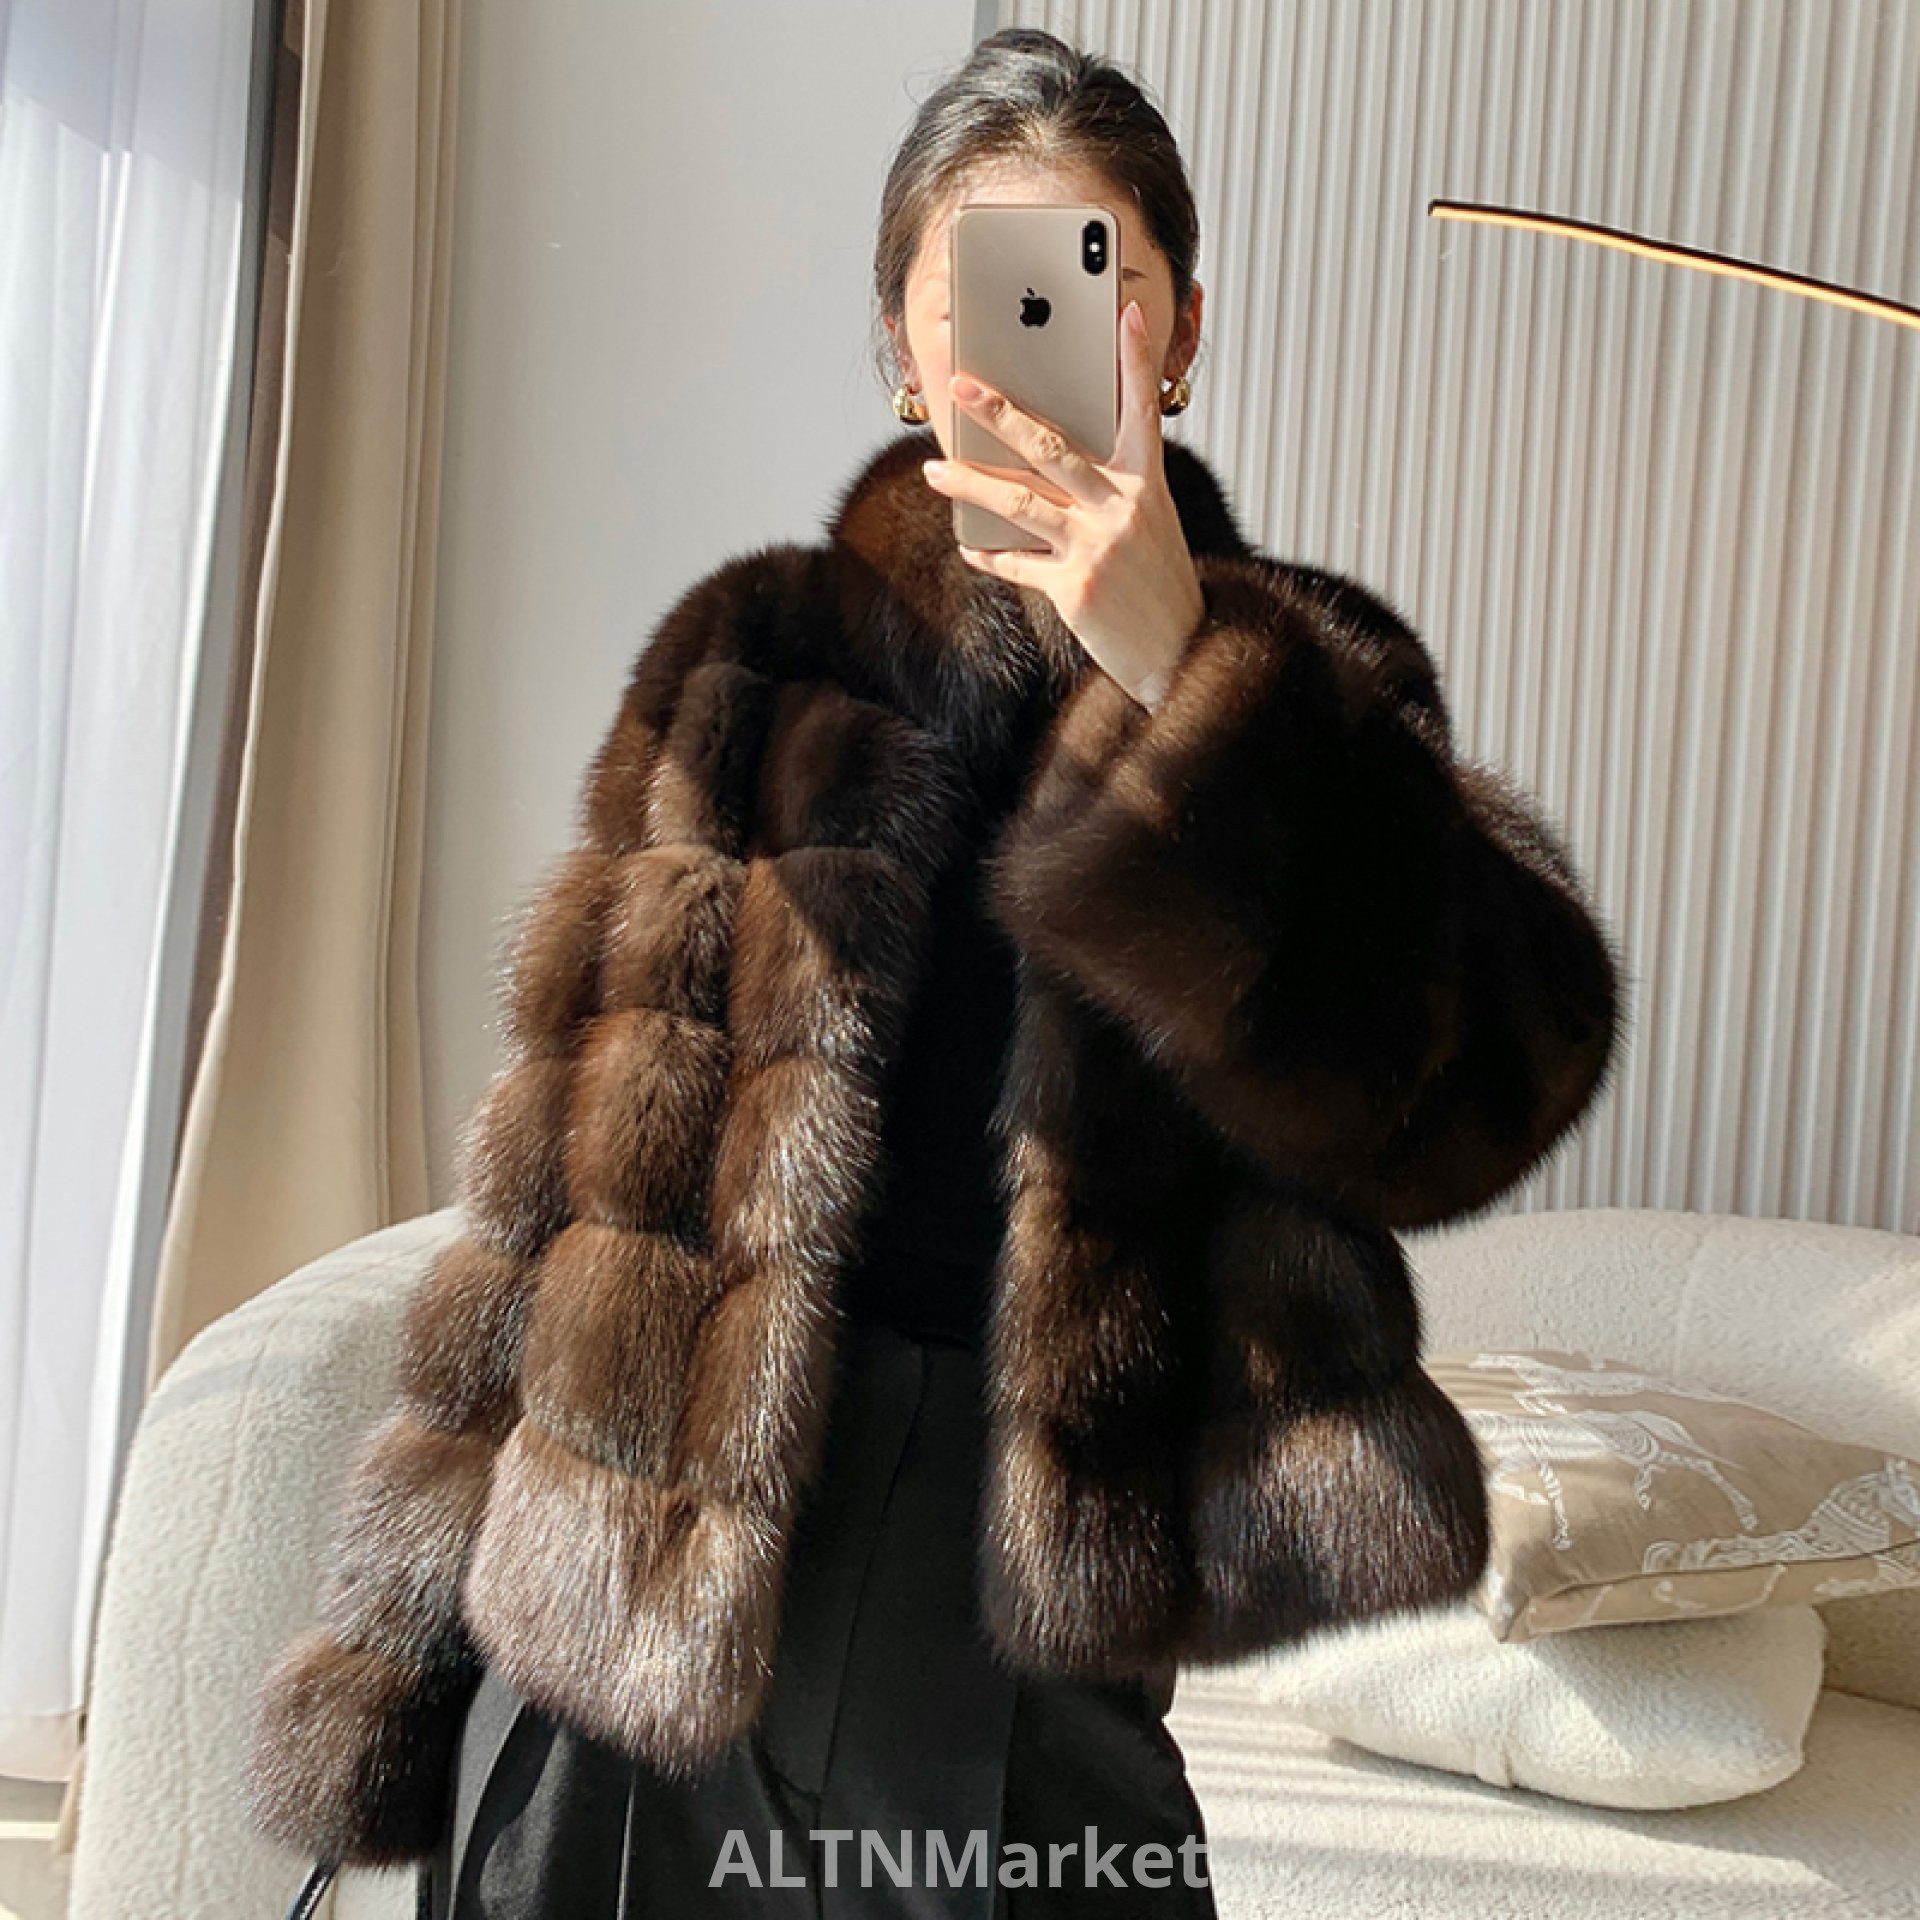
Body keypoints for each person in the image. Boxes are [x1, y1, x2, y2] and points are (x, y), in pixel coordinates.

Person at [245, 25, 1624, 1920]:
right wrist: (396, 1673)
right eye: (980, 286)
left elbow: (1470, 1094)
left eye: (1090, 273)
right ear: (903, 341)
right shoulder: (747, 665)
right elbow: (547, 1195)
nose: (1030, 335)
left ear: (1179, 329)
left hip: (1010, 1630)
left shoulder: (1314, 699)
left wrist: (1186, 684)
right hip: (622, 1624)